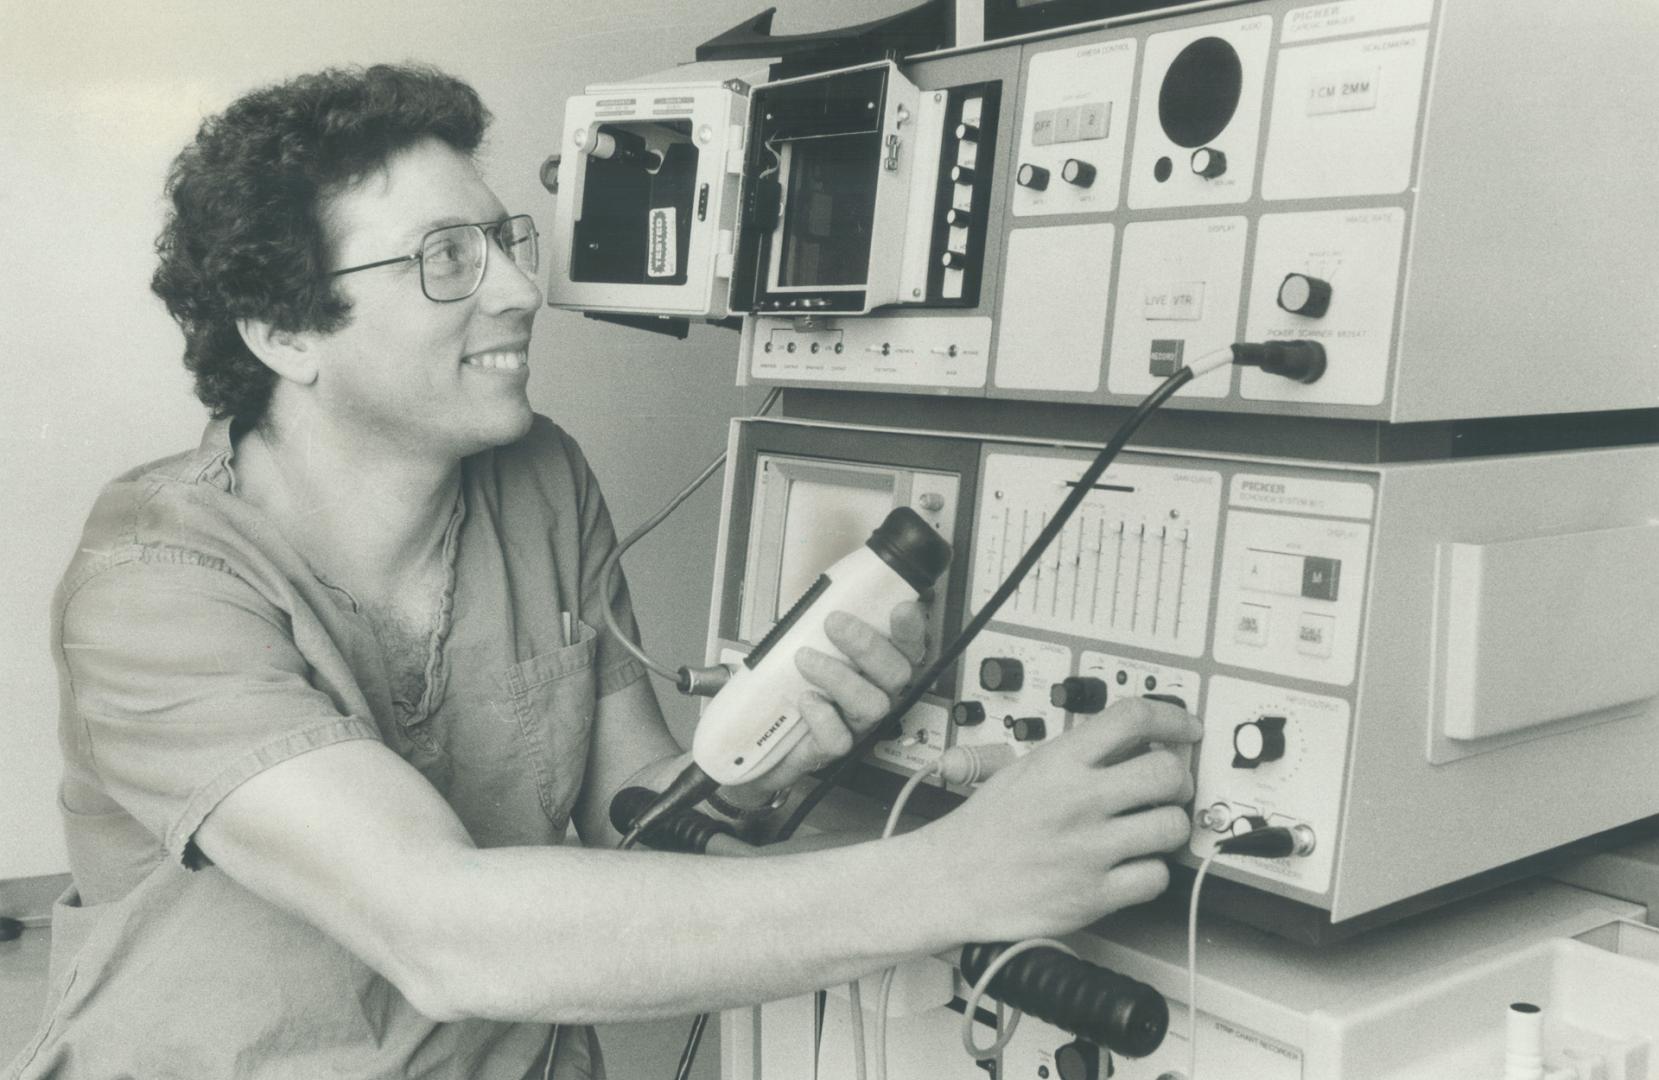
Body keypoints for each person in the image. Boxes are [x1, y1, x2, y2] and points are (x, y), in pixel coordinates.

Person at [7, 64, 1199, 1079]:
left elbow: (646, 815)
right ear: (286, 335)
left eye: (503, 242)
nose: (523, 291)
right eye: (445, 259)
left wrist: (787, 758)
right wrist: (955, 876)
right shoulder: (154, 586)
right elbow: (446, 932)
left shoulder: (537, 478)